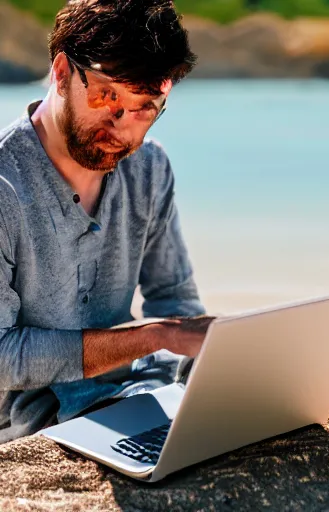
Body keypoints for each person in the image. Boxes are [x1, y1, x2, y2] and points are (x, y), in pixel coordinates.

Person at [0, 0, 213, 444]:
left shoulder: (149, 168)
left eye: (145, 107)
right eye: (106, 94)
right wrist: (155, 337)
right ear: (61, 72)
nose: (121, 126)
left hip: (136, 395)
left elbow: (174, 300)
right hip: (32, 425)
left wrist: (213, 364)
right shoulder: (6, 187)